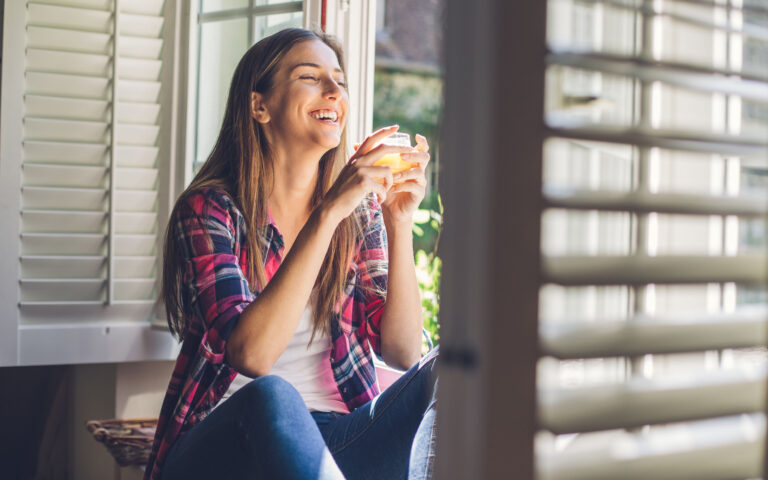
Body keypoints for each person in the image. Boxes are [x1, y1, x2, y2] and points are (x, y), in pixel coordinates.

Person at [144, 28, 439, 480]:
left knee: (445, 367)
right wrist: (327, 214)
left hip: (336, 440)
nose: (333, 91)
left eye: (338, 81)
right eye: (310, 76)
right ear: (259, 105)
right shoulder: (210, 211)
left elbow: (402, 351)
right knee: (273, 393)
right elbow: (252, 356)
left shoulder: (359, 215)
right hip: (226, 439)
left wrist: (398, 222)